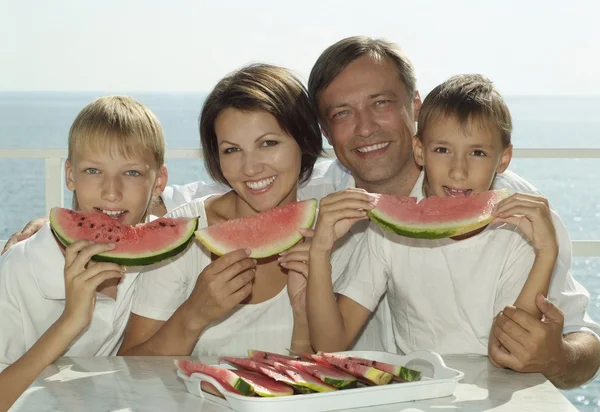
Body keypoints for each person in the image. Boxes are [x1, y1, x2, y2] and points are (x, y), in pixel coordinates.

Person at [5, 36, 600, 387]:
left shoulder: (514, 208)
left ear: (415, 112)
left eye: (382, 104)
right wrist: (72, 220)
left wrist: (555, 356)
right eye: (341, 112)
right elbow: (190, 206)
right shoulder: (327, 198)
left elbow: (585, 346)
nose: (364, 127)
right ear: (325, 133)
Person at [118, 63, 386, 357]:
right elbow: (130, 367)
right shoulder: (184, 235)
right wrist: (193, 315)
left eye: (268, 143)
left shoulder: (341, 231)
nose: (250, 168)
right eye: (232, 150)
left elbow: (325, 367)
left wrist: (303, 317)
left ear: (303, 141)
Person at [306, 72, 559, 364]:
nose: (458, 171)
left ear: (503, 159)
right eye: (442, 150)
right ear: (420, 151)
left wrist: (546, 252)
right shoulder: (388, 232)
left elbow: (508, 353)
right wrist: (320, 251)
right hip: (419, 393)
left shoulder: (517, 236)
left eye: (477, 152)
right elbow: (329, 343)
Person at [0, 95, 168, 410]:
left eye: (131, 173)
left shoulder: (166, 256)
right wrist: (71, 321)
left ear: (158, 182)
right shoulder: (20, 267)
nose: (111, 191)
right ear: (70, 176)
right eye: (93, 170)